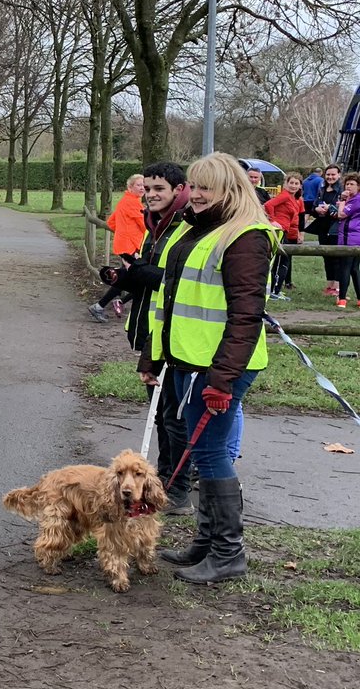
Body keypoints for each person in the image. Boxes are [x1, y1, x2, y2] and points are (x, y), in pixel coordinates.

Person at [139, 152, 278, 584]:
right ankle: (205, 542)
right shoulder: (193, 228)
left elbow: (245, 315)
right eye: (193, 186)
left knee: (213, 453)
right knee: (201, 451)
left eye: (206, 188)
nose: (196, 195)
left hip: (217, 368)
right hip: (185, 359)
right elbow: (169, 298)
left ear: (230, 190)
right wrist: (153, 354)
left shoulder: (245, 237)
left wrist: (223, 378)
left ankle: (228, 552)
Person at [110, 162, 195, 514]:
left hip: (175, 335)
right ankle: (163, 479)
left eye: (159, 188)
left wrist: (143, 272)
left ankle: (178, 489)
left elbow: (175, 280)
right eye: (147, 188)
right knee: (160, 414)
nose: (151, 194)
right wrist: (122, 277)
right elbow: (145, 272)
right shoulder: (154, 226)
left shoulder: (185, 228)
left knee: (174, 417)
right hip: (151, 330)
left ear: (178, 189)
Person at [89, 174, 146, 322]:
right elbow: (145, 225)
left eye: (143, 185)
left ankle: (111, 303)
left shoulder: (125, 201)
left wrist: (123, 230)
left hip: (125, 245)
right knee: (134, 278)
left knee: (128, 278)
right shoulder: (133, 203)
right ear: (130, 187)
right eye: (138, 185)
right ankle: (102, 305)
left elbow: (111, 222)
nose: (142, 188)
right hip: (131, 247)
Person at [264, 172, 303, 298]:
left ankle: (276, 289)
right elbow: (268, 205)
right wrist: (272, 220)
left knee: (283, 261)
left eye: (296, 183)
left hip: (285, 231)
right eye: (291, 183)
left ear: (300, 186)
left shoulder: (293, 198)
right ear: (285, 184)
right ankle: (275, 291)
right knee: (281, 260)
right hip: (279, 231)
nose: (293, 185)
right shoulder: (285, 196)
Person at [309, 163, 344, 296]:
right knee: (326, 256)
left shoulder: (342, 190)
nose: (330, 177)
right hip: (323, 226)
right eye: (328, 174)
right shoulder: (322, 188)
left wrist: (331, 208)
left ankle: (337, 287)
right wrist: (317, 209)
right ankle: (329, 286)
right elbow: (314, 206)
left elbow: (344, 209)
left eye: (333, 174)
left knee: (336, 257)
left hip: (336, 227)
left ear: (338, 175)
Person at [333, 174, 360, 308]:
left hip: (350, 239)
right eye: (347, 184)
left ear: (358, 187)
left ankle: (342, 299)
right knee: (355, 269)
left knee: (345, 268)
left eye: (352, 184)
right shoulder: (353, 199)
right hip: (351, 237)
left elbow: (341, 214)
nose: (348, 186)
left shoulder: (356, 200)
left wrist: (342, 201)